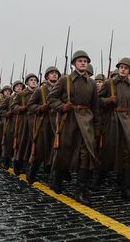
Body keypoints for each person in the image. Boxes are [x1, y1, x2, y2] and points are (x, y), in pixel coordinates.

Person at [47, 50, 101, 205]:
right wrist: (62, 106)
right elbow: (51, 98)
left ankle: (80, 191)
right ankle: (57, 180)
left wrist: (97, 128)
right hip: (69, 121)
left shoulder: (91, 82)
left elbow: (96, 107)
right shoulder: (65, 80)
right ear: (73, 64)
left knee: (86, 155)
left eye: (85, 61)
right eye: (80, 61)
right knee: (64, 152)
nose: (83, 63)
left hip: (86, 122)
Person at [98, 57, 130, 200]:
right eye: (121, 67)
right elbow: (97, 101)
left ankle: (126, 188)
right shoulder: (108, 83)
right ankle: (98, 179)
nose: (123, 69)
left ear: (129, 71)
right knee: (109, 151)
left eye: (126, 68)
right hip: (112, 121)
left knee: (128, 153)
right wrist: (107, 100)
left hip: (128, 122)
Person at [26, 66, 60, 184]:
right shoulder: (40, 90)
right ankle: (32, 172)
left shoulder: (61, 89)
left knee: (55, 150)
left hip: (57, 122)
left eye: (56, 73)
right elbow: (30, 106)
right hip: (43, 123)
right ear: (47, 76)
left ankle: (52, 177)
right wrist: (41, 108)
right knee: (40, 150)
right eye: (52, 73)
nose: (54, 75)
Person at [12, 73, 39, 176]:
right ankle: (17, 165)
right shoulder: (21, 94)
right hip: (24, 122)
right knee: (22, 144)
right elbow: (13, 107)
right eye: (31, 80)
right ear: (27, 82)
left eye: (35, 80)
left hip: (35, 121)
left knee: (32, 145)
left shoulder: (39, 93)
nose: (33, 82)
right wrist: (21, 108)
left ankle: (28, 167)